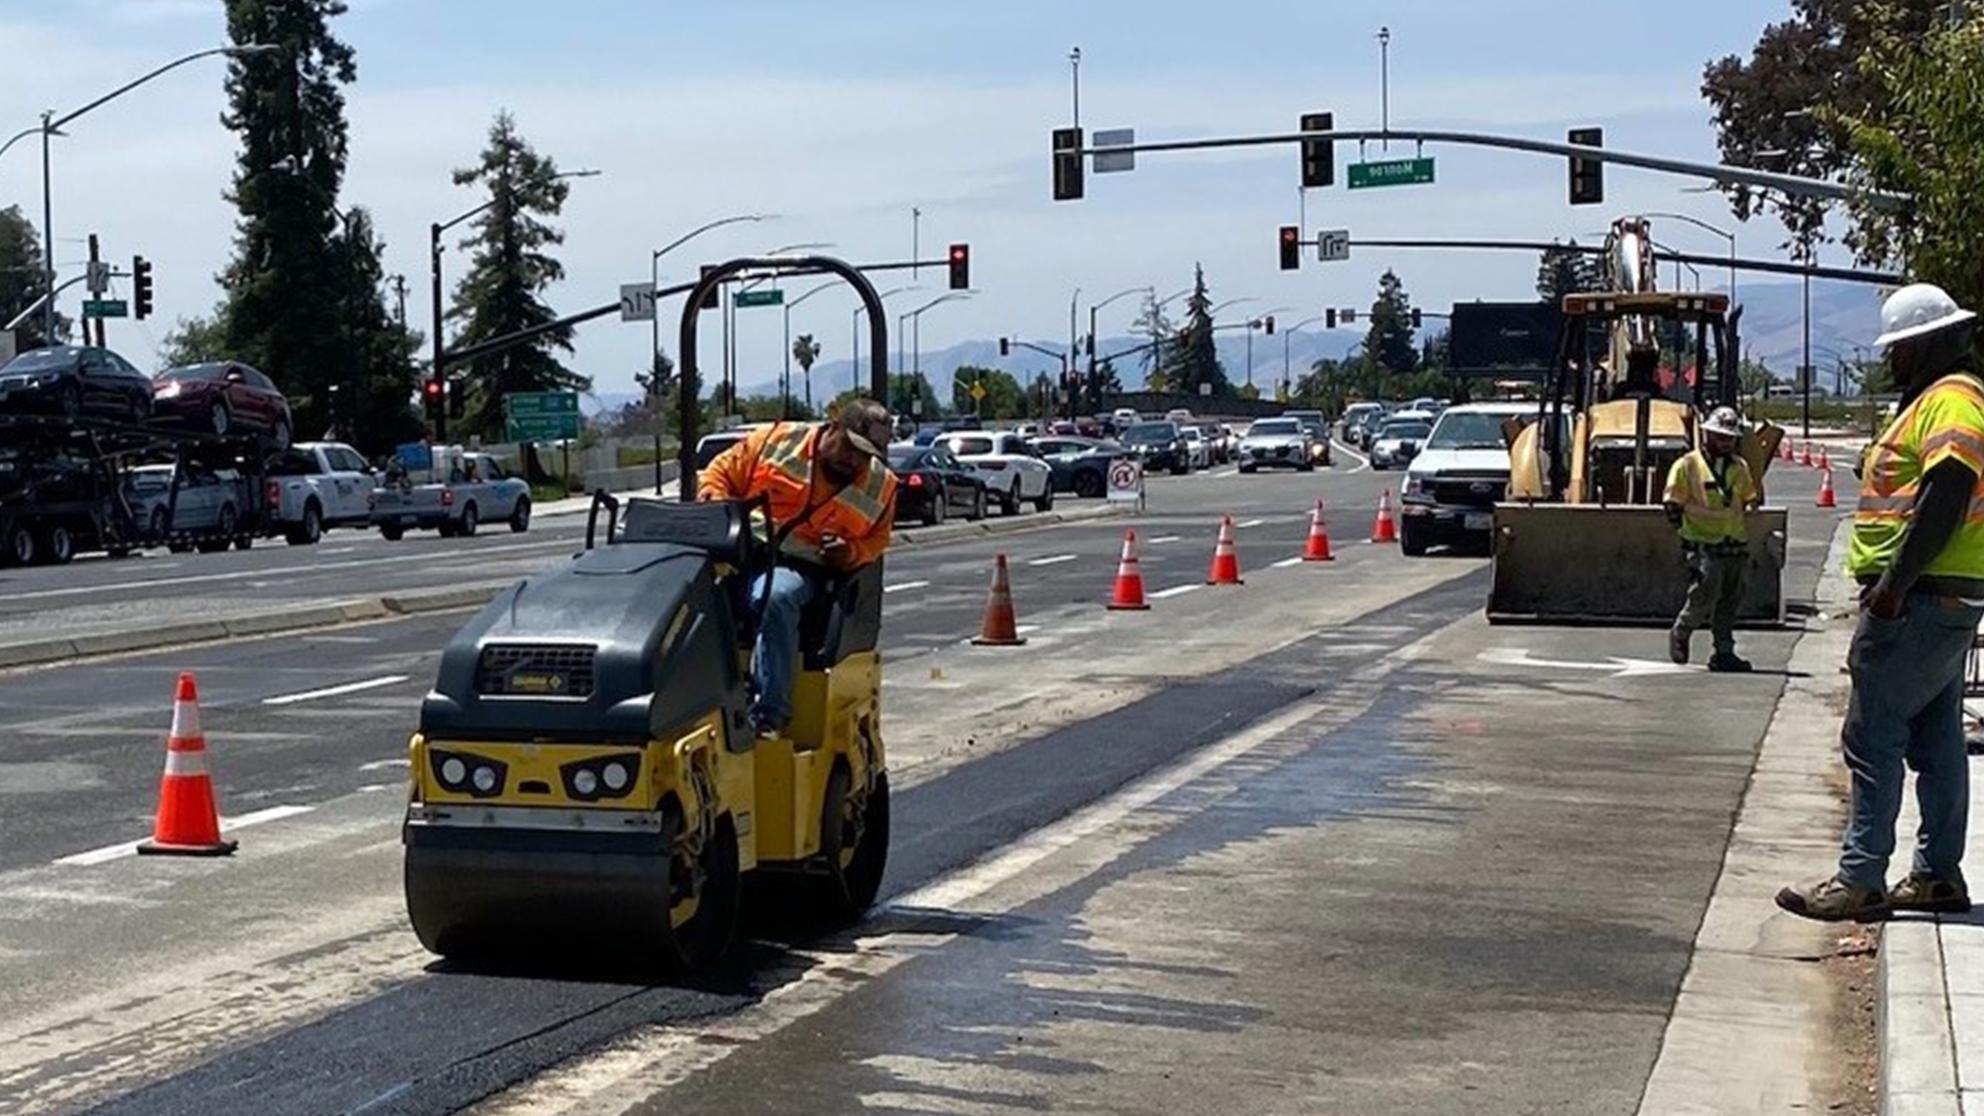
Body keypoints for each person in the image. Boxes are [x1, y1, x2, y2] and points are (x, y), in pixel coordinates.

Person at [1778, 283, 1984, 922]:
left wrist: (1892, 587)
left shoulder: (1951, 400)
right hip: (1945, 595)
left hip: (1919, 597)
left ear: (1928, 342)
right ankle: (1936, 875)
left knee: (1872, 736)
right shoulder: (1946, 397)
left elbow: (1947, 488)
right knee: (1937, 736)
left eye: (1898, 349)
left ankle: (1862, 877)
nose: (1890, 361)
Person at [697, 399, 897, 738]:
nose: (853, 460)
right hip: (739, 551)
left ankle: (769, 714)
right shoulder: (777, 441)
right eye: (850, 447)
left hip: (803, 569)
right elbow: (720, 472)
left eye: (865, 455)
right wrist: (719, 510)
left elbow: (877, 541)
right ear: (833, 427)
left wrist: (849, 552)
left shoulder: (882, 485)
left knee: (775, 598)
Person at [1664, 405, 1761, 672]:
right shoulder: (1687, 465)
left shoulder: (1739, 466)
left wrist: (1751, 509)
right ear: (1707, 435)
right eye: (1721, 437)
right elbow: (1672, 503)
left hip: (1733, 542)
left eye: (1730, 438)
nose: (1726, 442)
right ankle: (1682, 630)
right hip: (1702, 543)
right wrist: (1685, 534)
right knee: (1705, 592)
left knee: (1731, 599)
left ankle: (1724, 652)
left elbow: (1749, 497)